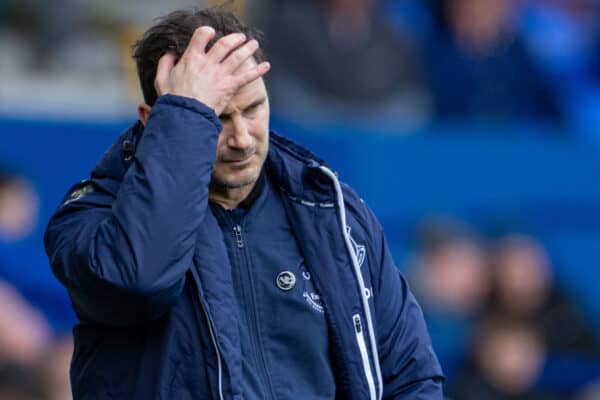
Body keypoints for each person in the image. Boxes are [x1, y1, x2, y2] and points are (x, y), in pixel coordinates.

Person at [44, 6, 443, 399]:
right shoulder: (92, 218)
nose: (242, 139)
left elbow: (410, 377)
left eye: (253, 109)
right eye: (215, 118)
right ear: (155, 119)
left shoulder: (333, 213)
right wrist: (185, 116)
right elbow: (141, 280)